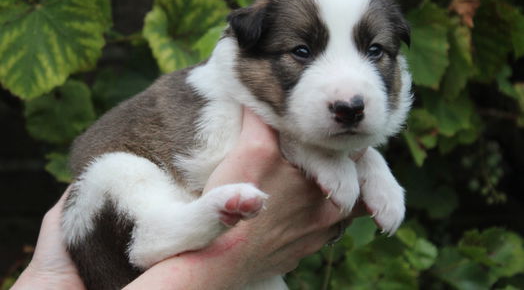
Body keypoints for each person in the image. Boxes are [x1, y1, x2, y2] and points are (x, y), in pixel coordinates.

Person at [12, 109, 366, 290]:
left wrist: (49, 280)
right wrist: (224, 265)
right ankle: (168, 232)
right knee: (111, 173)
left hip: (105, 257)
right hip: (129, 234)